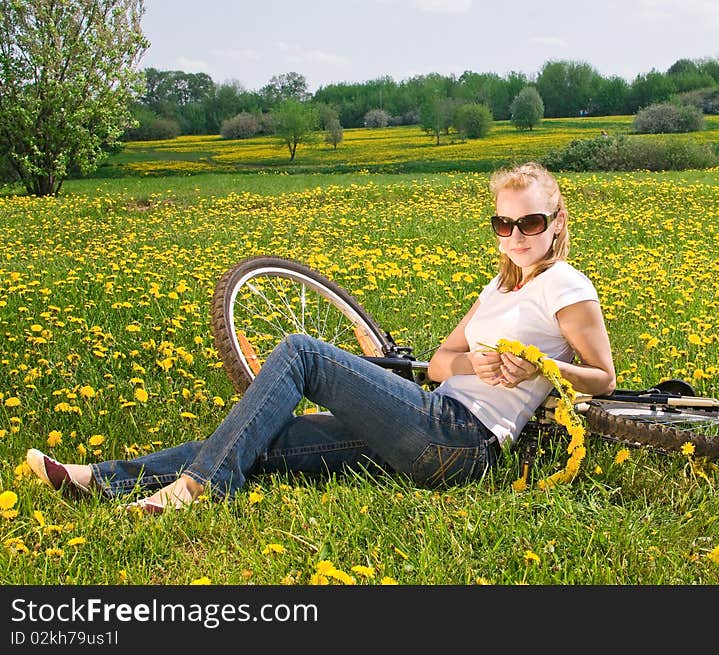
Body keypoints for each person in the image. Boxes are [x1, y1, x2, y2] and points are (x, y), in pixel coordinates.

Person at [26, 162, 616, 513]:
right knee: (271, 439)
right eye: (504, 223)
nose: (516, 234)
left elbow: (603, 377)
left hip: (464, 443)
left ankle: (199, 489)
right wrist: (477, 366)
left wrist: (538, 370)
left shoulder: (565, 285)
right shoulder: (499, 286)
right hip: (437, 415)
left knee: (302, 351)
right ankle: (96, 480)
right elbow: (439, 362)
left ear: (556, 221)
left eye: (531, 222)